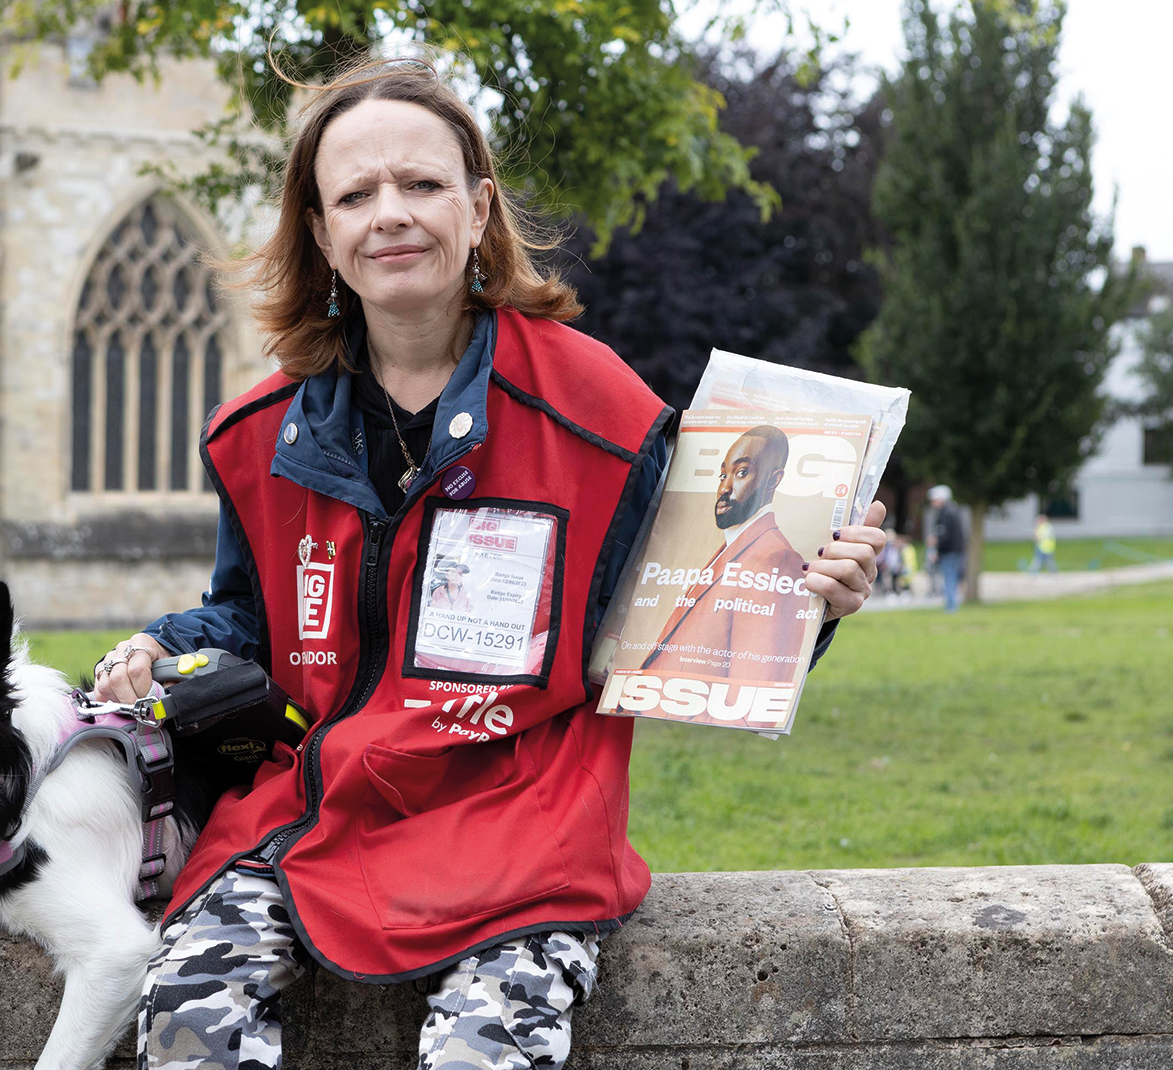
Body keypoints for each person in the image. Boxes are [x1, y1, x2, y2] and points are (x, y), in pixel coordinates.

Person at [89, 59, 888, 1070]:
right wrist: (162, 651)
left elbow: (683, 617)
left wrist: (813, 603)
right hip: (322, 813)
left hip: (526, 819)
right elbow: (250, 622)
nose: (392, 215)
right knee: (188, 1012)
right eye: (356, 195)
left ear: (477, 210)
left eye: (421, 186)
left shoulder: (598, 408)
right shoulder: (259, 435)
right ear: (323, 233)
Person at [638, 426, 807, 682]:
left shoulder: (774, 557)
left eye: (741, 473)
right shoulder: (734, 545)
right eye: (722, 475)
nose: (724, 489)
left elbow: (752, 687)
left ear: (773, 480)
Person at [925, 484, 967, 611]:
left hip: (949, 551)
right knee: (951, 576)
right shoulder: (952, 510)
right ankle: (951, 604)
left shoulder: (947, 513)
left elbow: (944, 534)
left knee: (949, 576)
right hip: (954, 550)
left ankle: (951, 606)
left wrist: (935, 545)